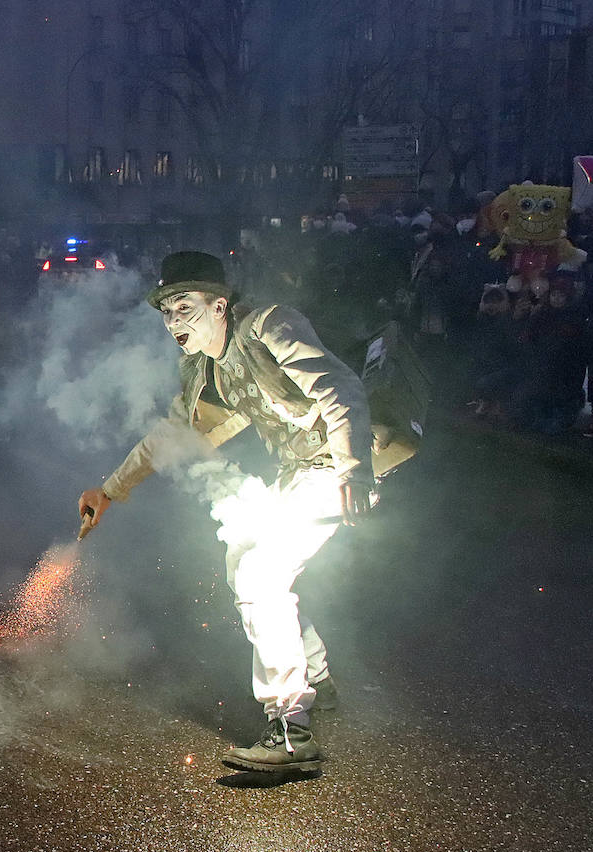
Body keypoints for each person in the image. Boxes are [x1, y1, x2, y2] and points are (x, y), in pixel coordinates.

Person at [78, 251, 375, 776]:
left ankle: (290, 734)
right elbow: (174, 433)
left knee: (261, 572)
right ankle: (318, 679)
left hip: (335, 466)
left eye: (184, 308)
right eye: (167, 312)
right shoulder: (201, 366)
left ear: (219, 306)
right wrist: (109, 490)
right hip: (301, 473)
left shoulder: (270, 324)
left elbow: (340, 386)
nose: (174, 323)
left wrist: (354, 468)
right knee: (245, 560)